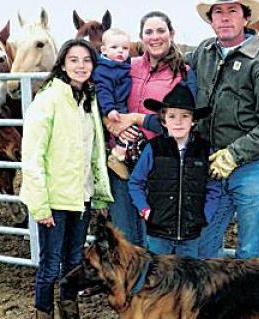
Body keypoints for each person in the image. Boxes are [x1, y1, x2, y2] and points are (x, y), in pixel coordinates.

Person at [188, 0, 259, 259]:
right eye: (218, 12)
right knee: (205, 243)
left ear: (246, 18)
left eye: (232, 11)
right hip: (212, 162)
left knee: (249, 249)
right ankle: (215, 300)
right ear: (211, 20)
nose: (224, 18)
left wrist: (234, 154)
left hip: (253, 166)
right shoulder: (204, 53)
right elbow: (171, 67)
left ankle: (249, 301)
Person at [20, 38, 113, 319]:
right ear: (62, 63)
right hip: (55, 198)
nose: (80, 66)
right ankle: (44, 313)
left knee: (74, 261)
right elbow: (32, 155)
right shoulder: (48, 99)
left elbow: (94, 152)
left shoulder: (88, 100)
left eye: (86, 60)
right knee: (50, 264)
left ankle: (70, 312)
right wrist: (40, 204)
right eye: (73, 60)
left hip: (81, 197)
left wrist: (97, 193)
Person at [104, 11, 197, 248]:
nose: (155, 37)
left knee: (153, 240)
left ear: (171, 34)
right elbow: (103, 98)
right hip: (122, 163)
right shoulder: (127, 66)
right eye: (149, 32)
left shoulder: (183, 74)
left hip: (159, 167)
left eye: (160, 31)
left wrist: (137, 119)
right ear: (141, 37)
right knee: (123, 238)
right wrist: (112, 125)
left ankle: (152, 286)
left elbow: (180, 125)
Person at [128, 83, 220, 258]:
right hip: (158, 230)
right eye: (172, 116)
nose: (178, 122)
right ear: (163, 121)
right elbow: (136, 182)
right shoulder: (153, 149)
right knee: (157, 276)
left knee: (187, 277)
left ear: (193, 121)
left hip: (191, 232)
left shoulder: (204, 150)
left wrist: (205, 215)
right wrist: (144, 209)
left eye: (185, 116)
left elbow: (214, 187)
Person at [93, 28, 143, 180]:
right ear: (104, 50)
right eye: (114, 48)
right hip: (115, 106)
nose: (120, 51)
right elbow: (103, 91)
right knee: (129, 129)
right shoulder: (104, 70)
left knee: (133, 130)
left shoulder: (123, 65)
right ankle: (117, 155)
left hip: (123, 103)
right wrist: (109, 110)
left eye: (125, 48)